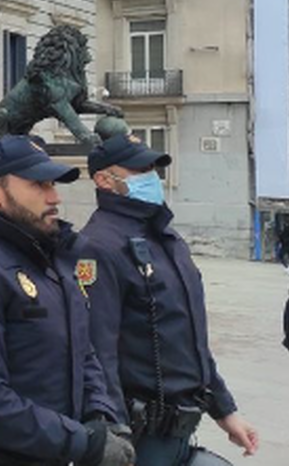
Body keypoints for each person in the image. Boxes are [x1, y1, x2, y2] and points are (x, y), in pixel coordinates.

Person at [0, 135, 134, 466]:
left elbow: (84, 350)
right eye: (38, 185)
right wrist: (81, 442)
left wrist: (102, 417)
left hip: (53, 453)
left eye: (52, 184)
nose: (54, 197)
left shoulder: (54, 256)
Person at [79, 133, 258, 464]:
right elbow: (98, 351)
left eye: (152, 168)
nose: (151, 177)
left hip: (180, 431)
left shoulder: (166, 237)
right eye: (139, 170)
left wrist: (225, 410)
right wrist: (114, 434)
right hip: (138, 439)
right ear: (104, 180)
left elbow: (188, 340)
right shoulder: (97, 246)